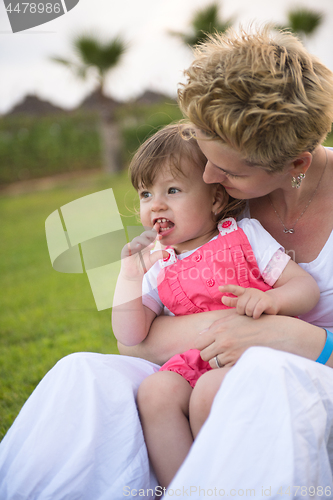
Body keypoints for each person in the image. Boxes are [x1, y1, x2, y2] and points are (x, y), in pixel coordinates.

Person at [1, 24, 333, 500]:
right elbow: (133, 344)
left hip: (304, 378)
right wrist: (223, 324)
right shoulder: (196, 205)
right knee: (83, 374)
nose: (207, 176)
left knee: (262, 378)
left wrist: (304, 339)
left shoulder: (234, 217)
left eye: (230, 170)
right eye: (203, 153)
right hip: (196, 366)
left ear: (296, 165)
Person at [112, 123, 319, 488]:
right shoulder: (155, 263)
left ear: (215, 200)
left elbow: (304, 288)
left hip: (255, 353)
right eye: (146, 194)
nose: (156, 204)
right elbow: (130, 335)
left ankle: (223, 483)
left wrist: (271, 299)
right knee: (155, 392)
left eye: (172, 190)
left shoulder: (244, 234)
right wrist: (129, 276)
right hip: (196, 360)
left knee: (209, 392)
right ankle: (183, 488)